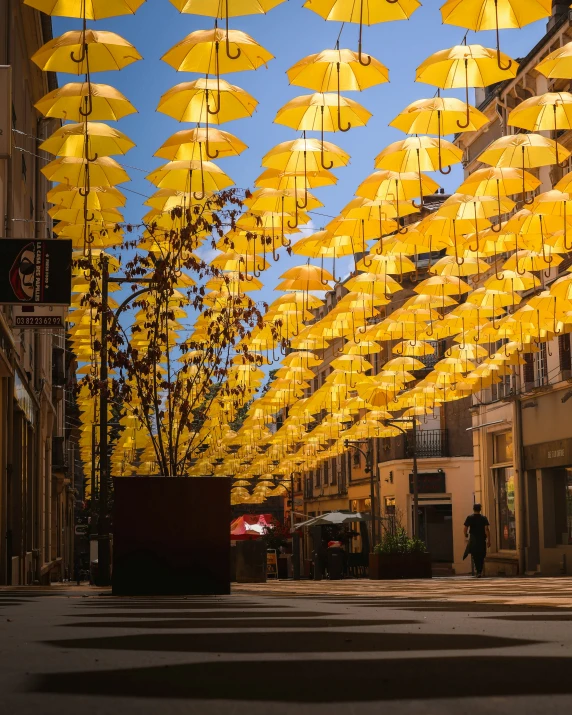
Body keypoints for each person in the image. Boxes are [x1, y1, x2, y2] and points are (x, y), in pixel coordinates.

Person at [463, 503, 491, 578]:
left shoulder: (469, 518)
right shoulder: (484, 518)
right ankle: (479, 570)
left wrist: (465, 534)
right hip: (481, 539)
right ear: (480, 509)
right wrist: (489, 540)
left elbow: (465, 528)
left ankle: (477, 570)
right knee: (481, 555)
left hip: (473, 539)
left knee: (475, 555)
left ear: (473, 509)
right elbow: (487, 529)